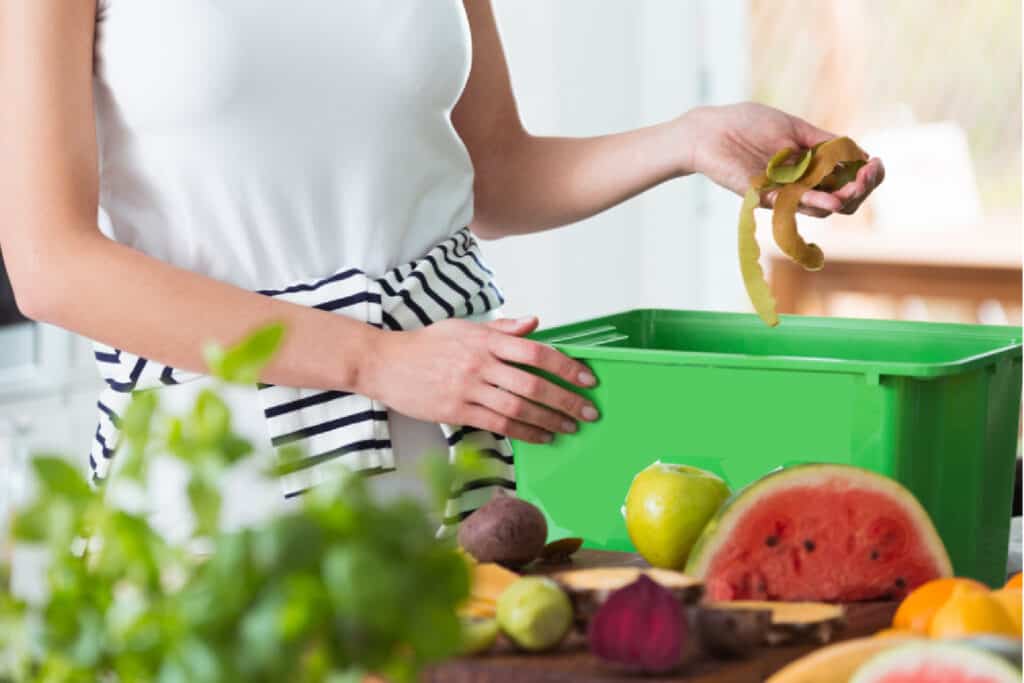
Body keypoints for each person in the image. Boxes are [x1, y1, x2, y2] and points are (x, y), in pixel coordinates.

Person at [0, 1, 883, 534]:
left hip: (462, 462)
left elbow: (492, 176)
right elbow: (51, 261)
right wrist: (376, 361)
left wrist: (689, 140)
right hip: (219, 471)